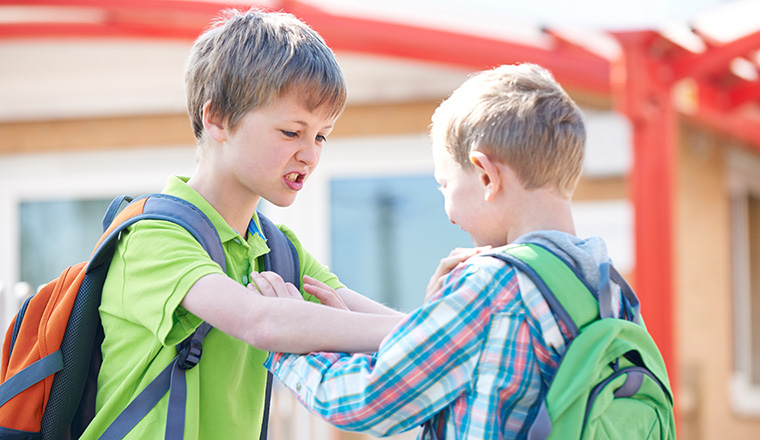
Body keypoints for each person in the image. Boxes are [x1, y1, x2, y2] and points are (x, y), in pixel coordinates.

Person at [258, 63, 630, 439]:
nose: (450, 215)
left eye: (445, 185)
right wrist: (427, 321)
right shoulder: (607, 287)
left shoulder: (493, 286)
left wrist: (286, 341)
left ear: (486, 175)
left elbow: (365, 401)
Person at [81, 8, 405, 439]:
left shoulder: (275, 249)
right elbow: (260, 321)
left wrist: (452, 326)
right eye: (292, 132)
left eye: (321, 135)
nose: (311, 154)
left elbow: (375, 320)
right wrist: (443, 333)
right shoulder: (152, 234)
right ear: (216, 119)